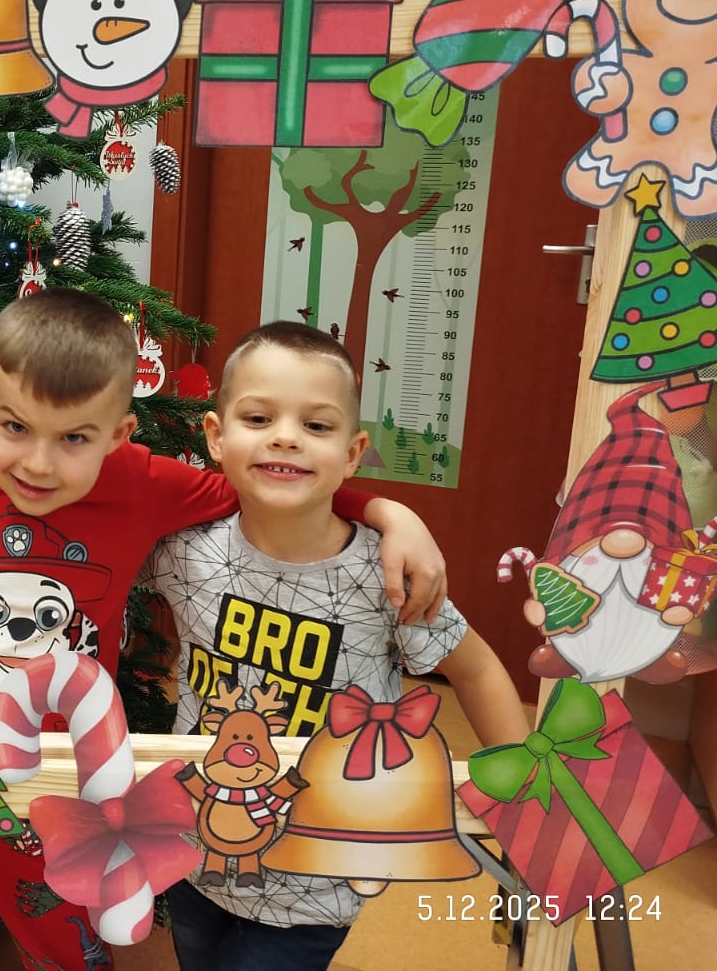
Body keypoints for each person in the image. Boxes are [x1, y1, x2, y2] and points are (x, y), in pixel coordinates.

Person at [0, 289, 448, 971]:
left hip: (62, 773)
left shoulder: (145, 483)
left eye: (74, 438)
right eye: (15, 427)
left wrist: (389, 512)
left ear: (119, 434)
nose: (36, 463)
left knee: (63, 944)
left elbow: (271, 485)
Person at [141, 321, 530, 971]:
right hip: (195, 849)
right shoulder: (183, 551)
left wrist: (529, 795)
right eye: (259, 417)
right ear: (215, 436)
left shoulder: (386, 573)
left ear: (352, 454)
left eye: (316, 426)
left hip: (320, 876)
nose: (286, 436)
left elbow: (478, 669)